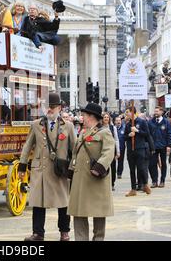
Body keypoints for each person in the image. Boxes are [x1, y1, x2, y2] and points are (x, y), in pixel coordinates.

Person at [18, 93, 76, 241]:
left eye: (52, 107)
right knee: (38, 202)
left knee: (63, 203)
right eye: (47, 107)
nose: (49, 110)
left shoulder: (68, 126)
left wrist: (73, 167)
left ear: (59, 108)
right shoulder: (36, 124)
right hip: (41, 170)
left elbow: (75, 150)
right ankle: (38, 233)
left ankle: (64, 232)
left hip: (59, 170)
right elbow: (27, 146)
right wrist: (22, 166)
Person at [68, 103, 114, 241]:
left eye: (84, 115)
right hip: (80, 179)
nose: (82, 118)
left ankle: (98, 239)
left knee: (99, 212)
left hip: (96, 178)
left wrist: (99, 167)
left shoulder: (104, 132)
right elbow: (76, 154)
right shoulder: (83, 132)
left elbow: (109, 152)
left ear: (91, 117)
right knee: (78, 212)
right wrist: (70, 170)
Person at [125, 107, 152, 196]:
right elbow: (124, 137)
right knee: (132, 170)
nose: (127, 114)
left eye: (128, 112)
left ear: (133, 112)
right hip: (130, 149)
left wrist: (137, 131)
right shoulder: (128, 124)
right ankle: (133, 189)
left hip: (140, 148)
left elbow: (147, 134)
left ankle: (145, 184)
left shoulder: (142, 122)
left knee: (141, 168)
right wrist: (129, 135)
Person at [148, 106, 171, 188]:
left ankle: (162, 181)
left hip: (163, 146)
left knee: (163, 164)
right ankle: (154, 181)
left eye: (157, 111)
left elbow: (170, 134)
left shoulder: (166, 122)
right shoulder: (150, 122)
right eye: (155, 111)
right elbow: (148, 134)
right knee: (152, 164)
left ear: (161, 112)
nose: (156, 113)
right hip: (153, 146)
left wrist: (169, 145)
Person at [101, 113, 120, 191]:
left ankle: (112, 183)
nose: (106, 118)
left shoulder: (113, 128)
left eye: (107, 117)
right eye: (104, 117)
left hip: (112, 150)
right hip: (102, 150)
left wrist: (118, 151)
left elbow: (116, 139)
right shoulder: (100, 128)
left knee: (113, 167)